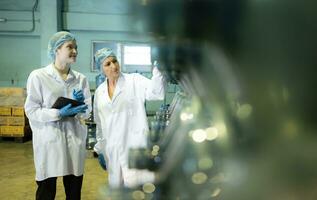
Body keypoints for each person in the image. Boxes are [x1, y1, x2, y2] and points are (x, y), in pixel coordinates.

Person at [24, 31, 92, 200]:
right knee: (46, 192)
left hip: (73, 140)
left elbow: (88, 111)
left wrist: (81, 106)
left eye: (76, 47)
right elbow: (31, 110)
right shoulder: (38, 76)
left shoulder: (80, 79)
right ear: (56, 50)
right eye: (70, 47)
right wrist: (58, 113)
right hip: (49, 141)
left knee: (74, 192)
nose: (75, 51)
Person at [93, 48, 165, 188]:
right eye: (107, 64)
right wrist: (100, 149)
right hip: (112, 151)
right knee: (118, 192)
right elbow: (99, 123)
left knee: (139, 191)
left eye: (115, 61)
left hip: (135, 147)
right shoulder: (99, 92)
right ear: (101, 69)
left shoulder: (134, 80)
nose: (113, 66)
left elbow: (156, 93)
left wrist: (158, 71)